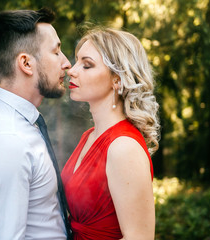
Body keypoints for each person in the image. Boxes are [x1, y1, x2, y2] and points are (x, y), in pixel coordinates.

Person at [0, 8, 72, 240]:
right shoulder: (5, 139)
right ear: (26, 63)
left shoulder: (20, 125)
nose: (67, 63)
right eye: (56, 52)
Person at [61, 27, 160, 240]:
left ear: (117, 80)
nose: (72, 70)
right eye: (76, 61)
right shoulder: (88, 136)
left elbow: (139, 237)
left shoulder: (123, 147)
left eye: (87, 65)